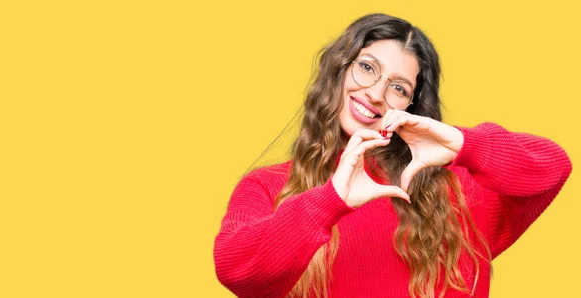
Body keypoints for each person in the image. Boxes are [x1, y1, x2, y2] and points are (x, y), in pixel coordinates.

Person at [213, 13, 572, 298]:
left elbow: (553, 167)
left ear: (411, 105)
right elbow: (237, 271)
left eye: (398, 87)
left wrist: (466, 145)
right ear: (338, 70)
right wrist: (329, 201)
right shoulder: (268, 186)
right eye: (367, 67)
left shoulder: (456, 190)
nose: (375, 93)